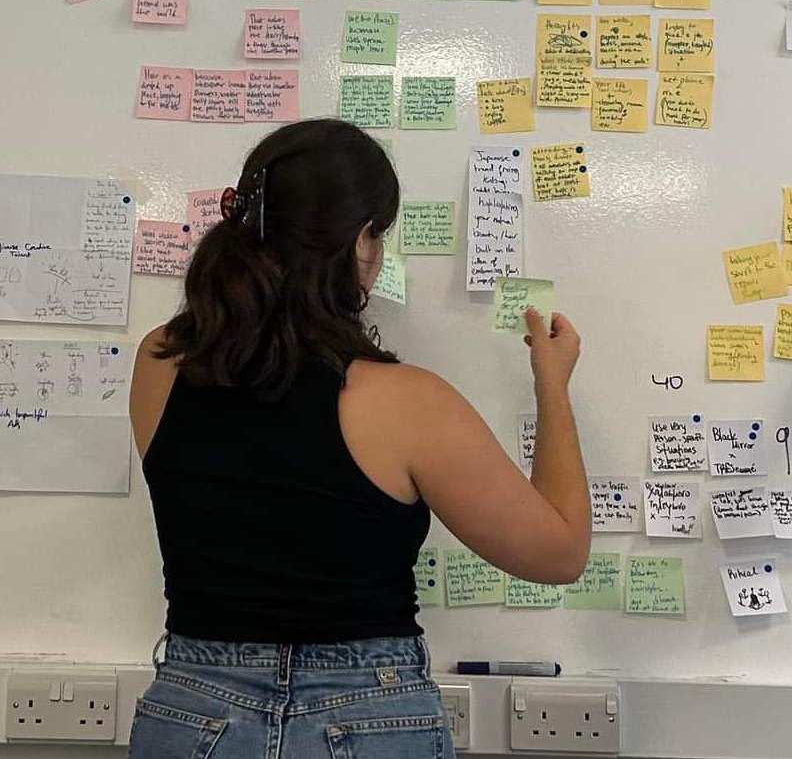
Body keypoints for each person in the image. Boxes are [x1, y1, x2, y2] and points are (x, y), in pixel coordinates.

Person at [126, 119, 591, 758]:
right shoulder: (407, 403)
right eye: (379, 237)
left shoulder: (159, 362)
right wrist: (553, 386)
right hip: (368, 715)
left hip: (192, 714)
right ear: (360, 243)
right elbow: (560, 553)